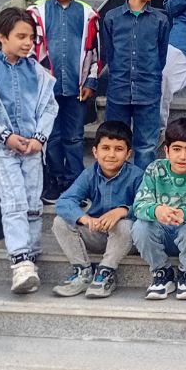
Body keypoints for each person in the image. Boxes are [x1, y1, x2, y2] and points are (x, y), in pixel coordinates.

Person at [0, 7, 59, 294]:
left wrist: (39, 138)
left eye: (31, 37)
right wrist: (5, 136)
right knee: (14, 201)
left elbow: (49, 107)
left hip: (32, 148)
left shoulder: (37, 72)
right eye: (21, 36)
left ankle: (31, 257)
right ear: (2, 36)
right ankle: (20, 261)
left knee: (32, 202)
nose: (27, 43)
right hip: (3, 150)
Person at [27, 0, 100, 203]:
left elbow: (94, 50)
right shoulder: (36, 13)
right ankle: (55, 181)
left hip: (76, 88)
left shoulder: (87, 14)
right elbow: (29, 49)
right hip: (46, 89)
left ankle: (75, 184)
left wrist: (91, 81)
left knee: (74, 137)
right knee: (52, 136)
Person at [51, 121, 143, 298]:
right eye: (105, 148)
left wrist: (122, 211)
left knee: (125, 225)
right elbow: (64, 201)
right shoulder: (89, 174)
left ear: (128, 154)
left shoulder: (137, 175)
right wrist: (85, 219)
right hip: (97, 233)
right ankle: (83, 272)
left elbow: (147, 206)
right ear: (95, 152)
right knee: (60, 221)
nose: (111, 154)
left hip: (126, 240)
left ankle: (105, 272)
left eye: (118, 149)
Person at [131, 117, 186, 301]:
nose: (182, 156)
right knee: (140, 226)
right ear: (166, 151)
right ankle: (162, 272)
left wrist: (185, 213)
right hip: (163, 234)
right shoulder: (155, 169)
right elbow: (139, 204)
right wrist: (157, 210)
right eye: (176, 149)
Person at [100, 0, 169, 169]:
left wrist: (150, 77)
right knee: (114, 142)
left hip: (148, 92)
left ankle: (142, 186)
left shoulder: (160, 20)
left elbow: (161, 56)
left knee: (146, 146)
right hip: (118, 91)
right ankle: (115, 182)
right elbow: (109, 54)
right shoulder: (112, 18)